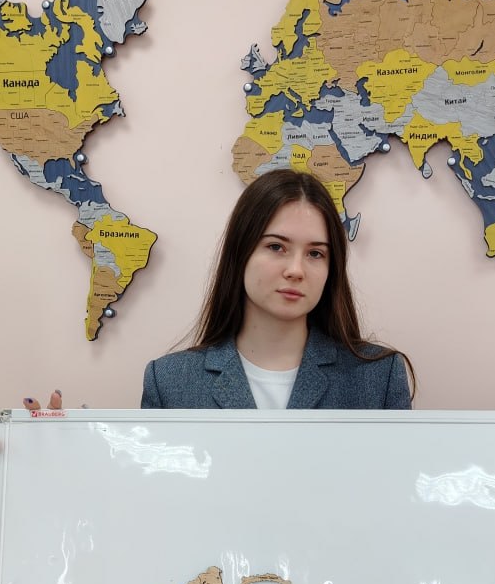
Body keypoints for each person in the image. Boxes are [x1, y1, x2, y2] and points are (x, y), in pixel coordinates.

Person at [141, 169, 413, 409]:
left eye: (315, 253)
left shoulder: (379, 376)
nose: (296, 270)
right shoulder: (169, 382)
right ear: (241, 252)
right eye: (276, 247)